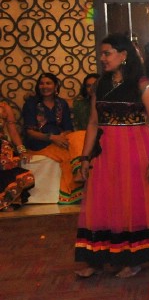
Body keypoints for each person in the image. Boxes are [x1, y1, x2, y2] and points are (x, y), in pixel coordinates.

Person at [75, 34, 149, 277]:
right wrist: (84, 158)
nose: (102, 58)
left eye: (107, 53)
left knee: (131, 203)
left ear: (124, 55)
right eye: (101, 54)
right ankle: (98, 258)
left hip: (136, 151)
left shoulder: (144, 85)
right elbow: (93, 123)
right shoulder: (100, 85)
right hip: (105, 153)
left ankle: (132, 258)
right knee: (103, 201)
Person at [22, 72, 84, 204]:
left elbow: (68, 128)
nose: (44, 86)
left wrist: (62, 137)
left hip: (59, 141)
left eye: (48, 83)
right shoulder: (31, 103)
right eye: (42, 83)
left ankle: (80, 172)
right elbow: (30, 132)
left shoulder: (62, 103)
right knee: (68, 151)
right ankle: (72, 190)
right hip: (39, 144)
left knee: (80, 135)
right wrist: (52, 138)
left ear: (56, 86)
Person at [0, 100, 34, 211]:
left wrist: (22, 150)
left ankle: (6, 201)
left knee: (7, 163)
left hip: (2, 147)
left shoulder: (4, 107)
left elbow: (12, 131)